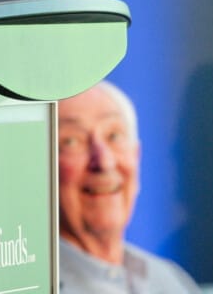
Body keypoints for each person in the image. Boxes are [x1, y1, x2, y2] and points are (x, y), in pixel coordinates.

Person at [57, 81, 200, 294]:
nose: (104, 161)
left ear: (136, 155)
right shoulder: (31, 286)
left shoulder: (170, 281)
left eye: (114, 136)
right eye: (72, 141)